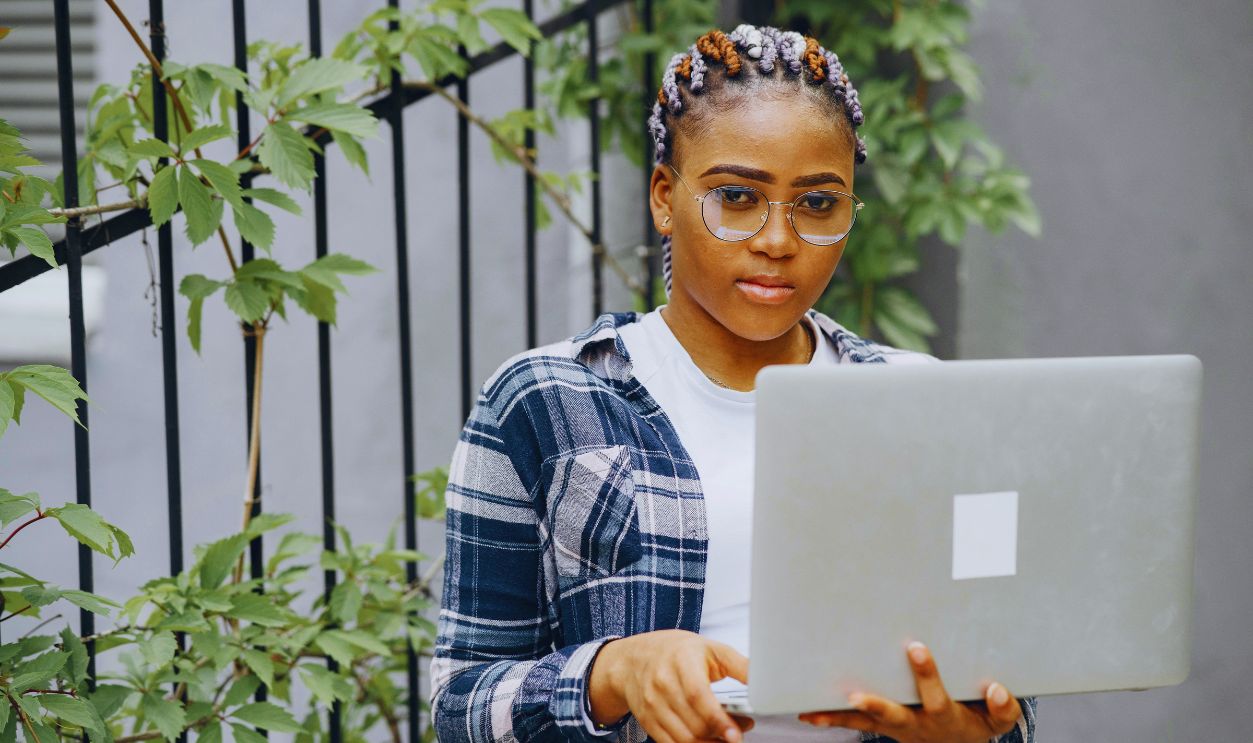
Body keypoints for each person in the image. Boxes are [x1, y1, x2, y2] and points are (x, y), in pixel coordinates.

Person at [430, 23, 1038, 743]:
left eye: (817, 204)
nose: (777, 241)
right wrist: (613, 672)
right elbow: (461, 703)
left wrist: (972, 731)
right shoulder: (546, 400)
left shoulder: (919, 402)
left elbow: (1007, 695)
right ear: (665, 197)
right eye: (736, 197)